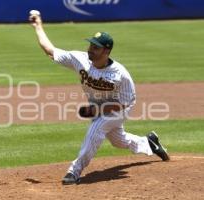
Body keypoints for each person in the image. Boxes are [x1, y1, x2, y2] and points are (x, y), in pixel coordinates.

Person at [29, 12, 170, 185]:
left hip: (121, 108)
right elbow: (49, 50)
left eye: (96, 47)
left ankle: (74, 170)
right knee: (118, 141)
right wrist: (38, 26)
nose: (91, 50)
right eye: (91, 46)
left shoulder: (120, 74)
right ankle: (149, 143)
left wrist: (97, 110)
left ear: (107, 50)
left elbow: (123, 103)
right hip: (100, 107)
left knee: (97, 128)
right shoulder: (80, 59)